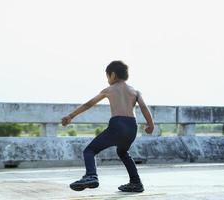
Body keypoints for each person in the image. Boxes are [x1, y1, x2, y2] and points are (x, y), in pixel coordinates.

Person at [61, 60, 154, 192]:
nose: (107, 80)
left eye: (107, 76)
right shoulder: (135, 91)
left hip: (117, 125)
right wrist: (151, 125)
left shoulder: (109, 90)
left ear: (113, 75)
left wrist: (71, 116)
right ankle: (136, 182)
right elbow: (144, 107)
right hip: (132, 127)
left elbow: (89, 104)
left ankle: (91, 175)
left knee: (90, 151)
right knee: (123, 152)